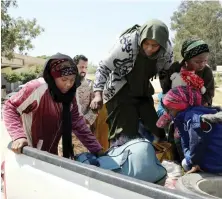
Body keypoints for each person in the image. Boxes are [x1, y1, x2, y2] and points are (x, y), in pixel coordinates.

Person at [90, 19, 173, 146]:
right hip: (120, 91)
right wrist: (97, 94)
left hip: (142, 91)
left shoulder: (166, 50)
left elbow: (166, 74)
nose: (149, 49)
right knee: (125, 135)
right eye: (146, 44)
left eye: (155, 45)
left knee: (156, 131)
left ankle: (154, 163)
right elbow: (104, 67)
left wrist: (169, 97)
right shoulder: (127, 44)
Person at [3, 53, 102, 159]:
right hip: (27, 153)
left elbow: (77, 122)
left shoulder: (70, 94)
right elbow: (10, 107)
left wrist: (97, 149)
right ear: (53, 77)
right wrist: (18, 136)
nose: (69, 84)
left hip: (50, 155)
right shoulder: (37, 87)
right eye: (64, 80)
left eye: (72, 80)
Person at [158, 86, 222, 174]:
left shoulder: (192, 118)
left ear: (181, 106)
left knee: (185, 163)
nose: (168, 114)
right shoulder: (195, 112)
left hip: (216, 164)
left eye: (170, 110)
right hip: (215, 156)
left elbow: (197, 143)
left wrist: (194, 163)